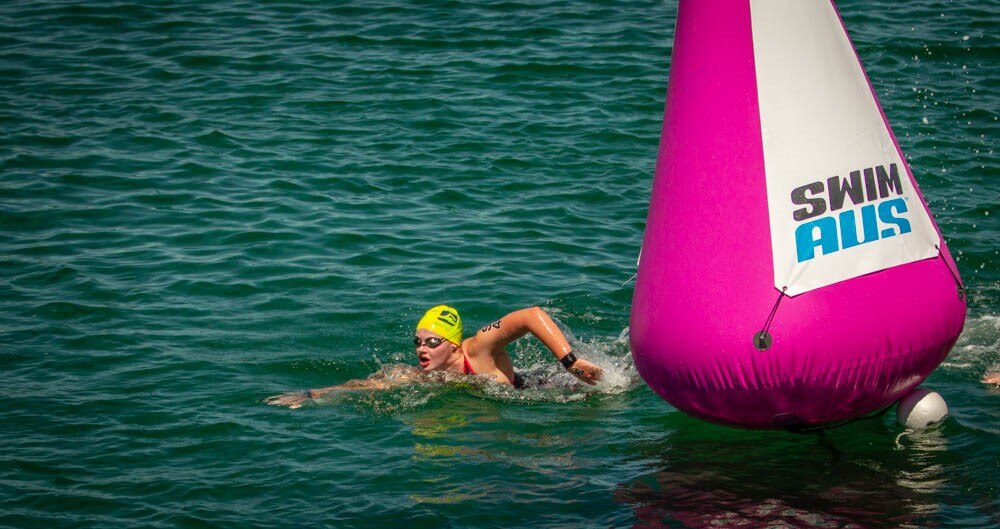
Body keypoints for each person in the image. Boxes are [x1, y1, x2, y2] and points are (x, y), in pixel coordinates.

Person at [265, 305, 603, 408]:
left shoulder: (478, 348)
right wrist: (313, 394)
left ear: (453, 345)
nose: (421, 349)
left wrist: (570, 362)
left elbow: (531, 315)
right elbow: (367, 386)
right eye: (418, 342)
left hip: (554, 387)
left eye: (431, 342)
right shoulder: (421, 375)